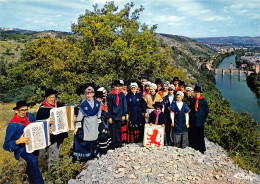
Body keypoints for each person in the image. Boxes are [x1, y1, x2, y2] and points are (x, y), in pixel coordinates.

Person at [3, 101, 45, 184]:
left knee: (34, 161)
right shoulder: (12, 125)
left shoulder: (30, 116)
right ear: (16, 111)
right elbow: (6, 146)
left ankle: (31, 180)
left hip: (34, 145)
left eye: (25, 110)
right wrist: (18, 141)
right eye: (22, 110)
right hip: (22, 149)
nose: (24, 112)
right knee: (32, 160)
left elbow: (37, 126)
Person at [36, 88, 67, 169]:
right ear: (45, 98)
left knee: (57, 153)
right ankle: (52, 174)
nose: (52, 99)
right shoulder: (42, 110)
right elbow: (38, 124)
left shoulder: (59, 105)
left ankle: (56, 169)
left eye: (53, 97)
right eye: (50, 98)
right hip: (50, 137)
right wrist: (46, 122)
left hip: (60, 135)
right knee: (51, 155)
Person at [73, 86, 101, 161]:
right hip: (87, 123)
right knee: (88, 138)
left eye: (90, 93)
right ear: (86, 94)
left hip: (94, 122)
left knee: (94, 137)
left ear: (93, 94)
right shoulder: (83, 105)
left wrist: (98, 122)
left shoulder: (97, 103)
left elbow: (99, 114)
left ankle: (94, 153)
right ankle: (87, 155)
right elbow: (80, 116)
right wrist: (77, 127)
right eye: (87, 93)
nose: (89, 95)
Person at [189, 85, 209, 153]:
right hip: (193, 121)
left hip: (200, 121)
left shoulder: (203, 101)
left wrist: (203, 118)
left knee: (200, 135)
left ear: (200, 93)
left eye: (198, 92)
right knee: (194, 134)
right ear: (194, 92)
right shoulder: (192, 100)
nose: (197, 93)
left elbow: (206, 111)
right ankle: (194, 147)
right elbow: (190, 109)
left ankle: (202, 149)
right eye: (196, 92)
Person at [108, 80, 127, 149]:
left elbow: (124, 104)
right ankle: (113, 143)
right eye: (115, 86)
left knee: (119, 129)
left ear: (120, 87)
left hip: (120, 114)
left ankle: (119, 142)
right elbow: (109, 106)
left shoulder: (121, 94)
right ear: (113, 86)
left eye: (118, 86)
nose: (116, 88)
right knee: (113, 129)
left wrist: (124, 114)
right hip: (113, 114)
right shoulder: (111, 95)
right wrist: (109, 116)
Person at [95, 91, 111, 155]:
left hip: (102, 120)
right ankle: (99, 149)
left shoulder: (102, 103)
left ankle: (104, 149)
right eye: (99, 98)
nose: (100, 99)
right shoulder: (95, 104)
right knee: (99, 134)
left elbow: (105, 111)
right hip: (97, 120)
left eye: (101, 98)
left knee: (103, 134)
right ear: (95, 98)